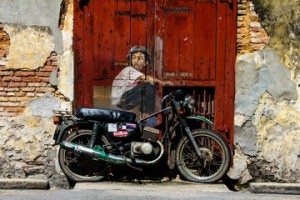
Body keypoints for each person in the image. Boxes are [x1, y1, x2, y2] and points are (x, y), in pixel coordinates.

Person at [111, 45, 170, 117]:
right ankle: (146, 116)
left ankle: (145, 115)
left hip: (122, 100)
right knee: (148, 87)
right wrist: (163, 83)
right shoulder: (129, 70)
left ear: (146, 62)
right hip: (121, 100)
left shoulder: (135, 73)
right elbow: (146, 78)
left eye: (140, 58)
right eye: (133, 58)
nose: (136, 60)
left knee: (148, 86)